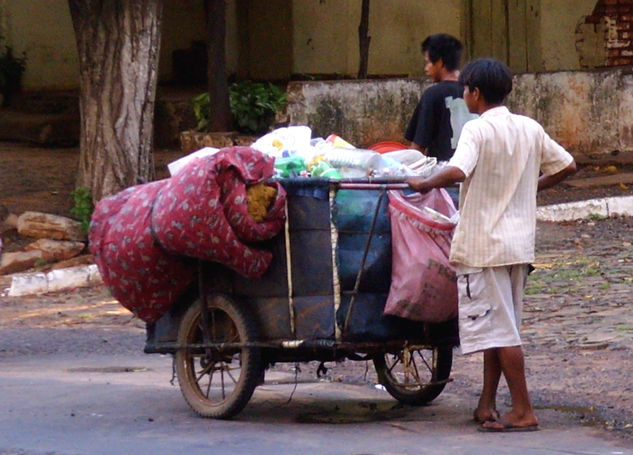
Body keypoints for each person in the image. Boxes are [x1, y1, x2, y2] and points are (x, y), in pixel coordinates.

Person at [407, 58, 577, 432]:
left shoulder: (477, 130)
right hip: (518, 246)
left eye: (465, 89)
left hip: (484, 245)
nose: (464, 94)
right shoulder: (528, 127)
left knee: (500, 332)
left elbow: (458, 170)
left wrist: (424, 182)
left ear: (475, 93)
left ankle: (523, 409)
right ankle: (487, 403)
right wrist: (531, 188)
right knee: (499, 328)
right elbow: (567, 166)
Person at [405, 33, 474, 162]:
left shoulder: (433, 94)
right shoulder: (475, 91)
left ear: (440, 62)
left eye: (428, 62)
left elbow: (417, 150)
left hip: (442, 176)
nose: (426, 68)